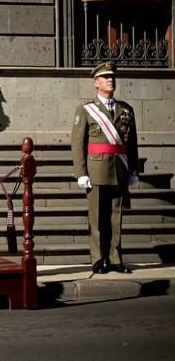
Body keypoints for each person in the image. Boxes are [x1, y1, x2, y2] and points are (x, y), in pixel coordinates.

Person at [71, 61, 139, 275]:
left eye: (112, 76)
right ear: (96, 82)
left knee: (116, 216)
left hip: (120, 168)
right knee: (98, 218)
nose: (111, 79)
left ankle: (115, 258)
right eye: (106, 77)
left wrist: (134, 170)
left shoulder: (126, 109)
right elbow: (77, 143)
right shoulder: (85, 109)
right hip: (96, 170)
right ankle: (99, 259)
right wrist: (81, 173)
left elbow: (132, 143)